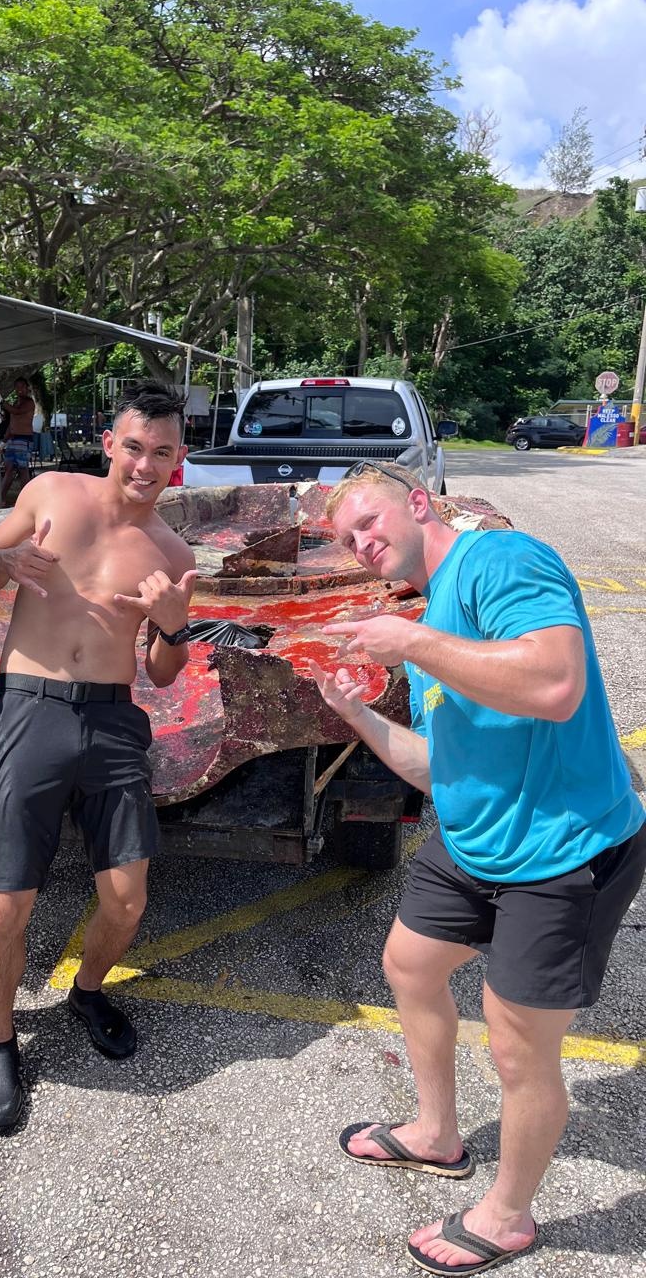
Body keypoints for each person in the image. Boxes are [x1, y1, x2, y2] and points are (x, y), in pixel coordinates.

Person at [311, 460, 646, 1276]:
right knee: (409, 965)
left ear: (419, 501)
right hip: (475, 842)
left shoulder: (499, 560)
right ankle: (436, 1133)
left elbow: (558, 683)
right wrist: (354, 712)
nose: (361, 543)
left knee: (517, 1046)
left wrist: (412, 641)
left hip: (565, 849)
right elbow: (439, 767)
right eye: (347, 538)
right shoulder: (431, 608)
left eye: (368, 522)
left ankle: (508, 1216)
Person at [0, 381, 196, 1135]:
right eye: (135, 446)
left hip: (112, 717)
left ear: (179, 459)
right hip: (28, 705)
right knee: (10, 900)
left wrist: (171, 624)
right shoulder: (51, 490)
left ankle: (88, 991)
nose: (145, 463)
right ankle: (0, 1046)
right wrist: (1, 563)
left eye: (162, 452)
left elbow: (163, 673)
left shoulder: (172, 549)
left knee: (127, 897)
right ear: (110, 443)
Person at [0, 376, 36, 501]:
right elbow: (12, 423)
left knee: (23, 469)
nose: (20, 390)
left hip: (24, 439)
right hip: (12, 439)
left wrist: (1, 402)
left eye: (22, 387)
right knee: (8, 469)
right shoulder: (15, 403)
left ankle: (28, 500)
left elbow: (17, 412)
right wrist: (4, 440)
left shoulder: (29, 402)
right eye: (17, 387)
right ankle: (0, 499)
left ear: (27, 388)